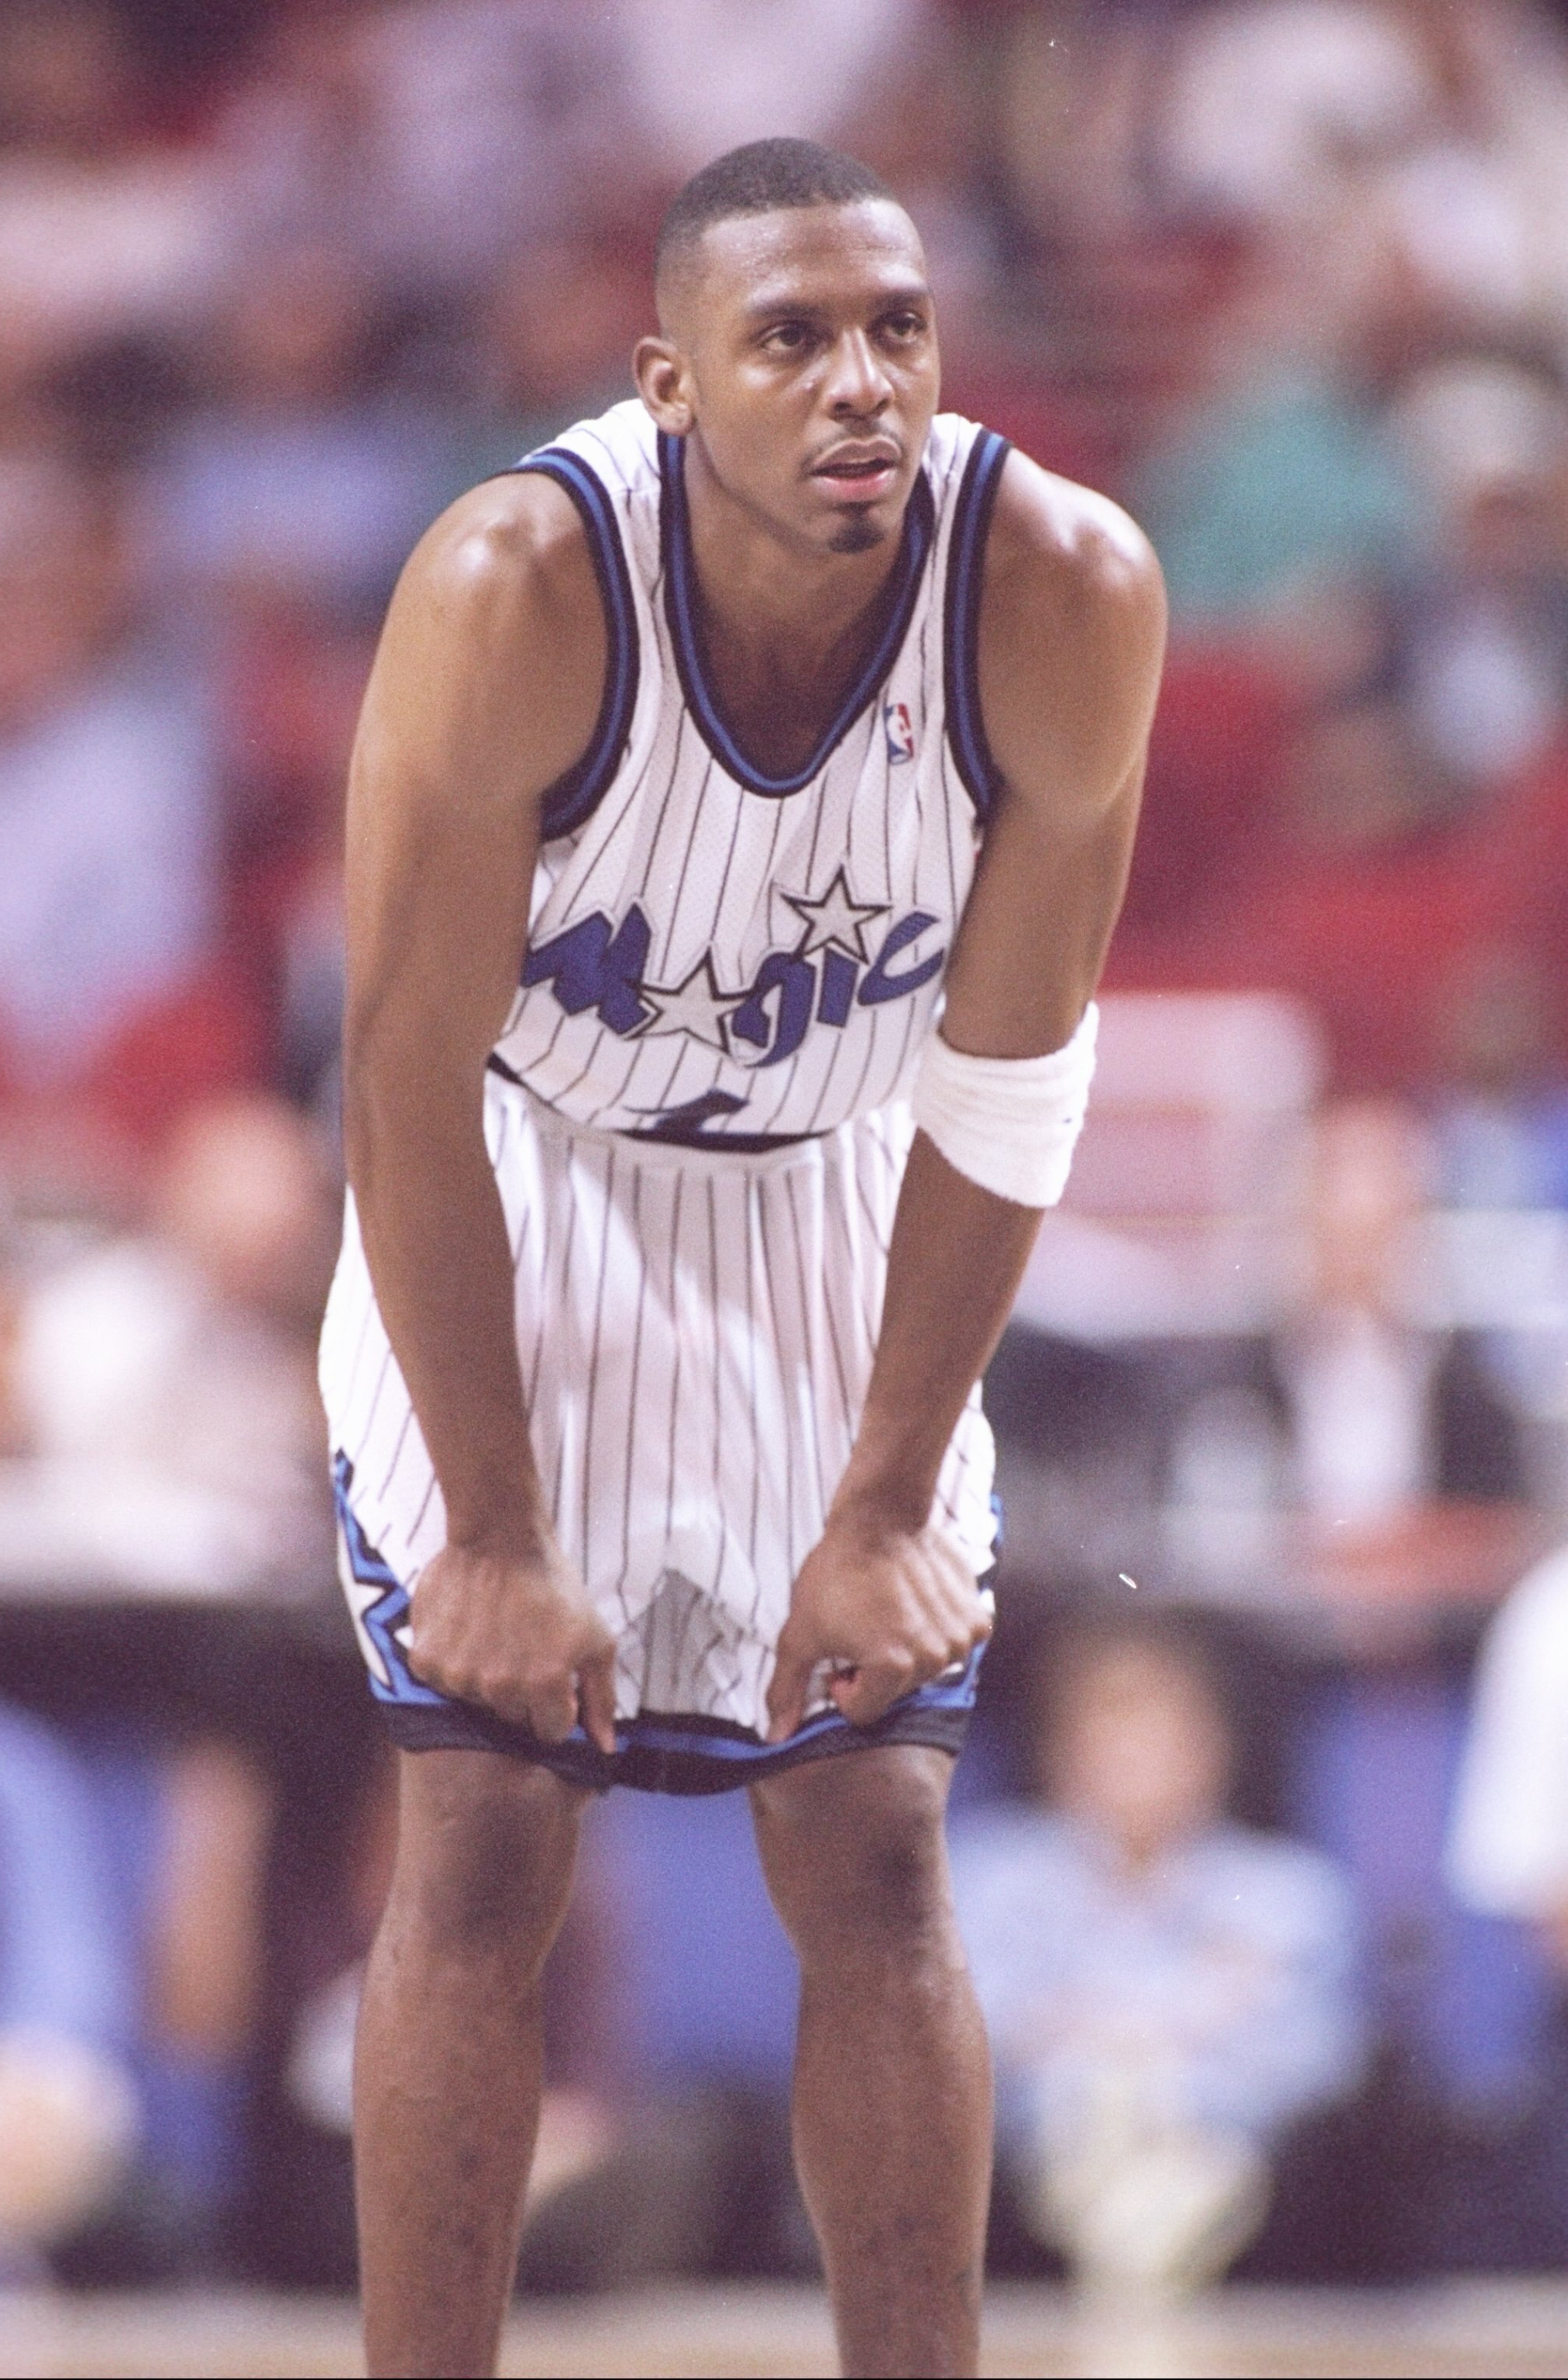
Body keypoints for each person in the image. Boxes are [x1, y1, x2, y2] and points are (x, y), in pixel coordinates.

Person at [319, 137, 1164, 2378]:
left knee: (874, 1835)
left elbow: (1007, 1083)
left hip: (834, 1182)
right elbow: (403, 1088)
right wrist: (490, 1539)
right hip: (524, 1173)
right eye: (788, 338)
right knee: (486, 1826)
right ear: (667, 380)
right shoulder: (513, 583)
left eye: (894, 328)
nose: (858, 383)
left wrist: (882, 1507)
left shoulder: (1059, 587)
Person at [953, 1612, 1363, 2297]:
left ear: (1214, 1751)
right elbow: (962, 2044)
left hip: (1247, 2214)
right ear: (1059, 1752)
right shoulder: (983, 1875)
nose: (1135, 1760)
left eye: (1161, 1736)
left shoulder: (1291, 1892)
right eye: (1110, 1735)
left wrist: (1092, 2034)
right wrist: (1185, 2020)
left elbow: (1316, 2061)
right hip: (1019, 2224)